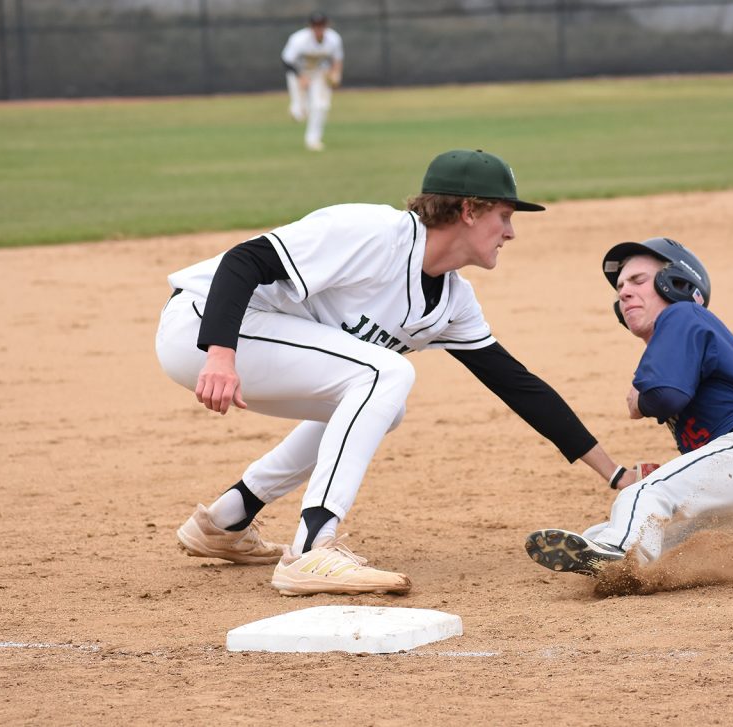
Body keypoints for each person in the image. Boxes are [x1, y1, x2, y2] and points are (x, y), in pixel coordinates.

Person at [155, 149, 638, 596]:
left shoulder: (453, 301)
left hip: (253, 344)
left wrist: (615, 473)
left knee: (380, 400)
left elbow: (517, 385)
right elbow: (246, 259)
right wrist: (220, 352)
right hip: (207, 324)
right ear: (468, 210)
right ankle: (311, 547)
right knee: (382, 374)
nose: (510, 232)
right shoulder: (373, 232)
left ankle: (227, 519)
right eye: (504, 216)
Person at [525, 237, 733, 577]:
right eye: (620, 287)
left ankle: (622, 559)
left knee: (642, 495)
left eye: (637, 280)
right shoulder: (686, 330)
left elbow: (666, 396)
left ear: (675, 283)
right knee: (604, 534)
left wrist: (640, 399)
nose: (623, 292)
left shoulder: (682, 314)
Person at [281, 11, 344, 151]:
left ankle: (313, 140)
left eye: (321, 25)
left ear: (327, 25)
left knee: (321, 106)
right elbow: (286, 61)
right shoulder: (298, 39)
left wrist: (336, 75)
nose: (318, 28)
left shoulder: (334, 39)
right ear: (310, 26)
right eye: (316, 25)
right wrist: (300, 77)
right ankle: (297, 108)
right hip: (297, 72)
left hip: (319, 74)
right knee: (299, 114)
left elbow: (337, 59)